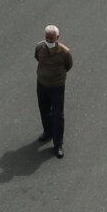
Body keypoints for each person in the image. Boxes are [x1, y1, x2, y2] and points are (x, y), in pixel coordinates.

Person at [35, 25, 73, 159]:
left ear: (58, 38)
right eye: (47, 38)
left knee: (57, 115)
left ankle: (58, 145)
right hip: (42, 85)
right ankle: (47, 132)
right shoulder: (40, 47)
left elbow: (68, 65)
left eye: (51, 38)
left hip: (57, 87)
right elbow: (37, 58)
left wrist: (56, 77)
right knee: (44, 110)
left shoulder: (65, 52)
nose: (49, 41)